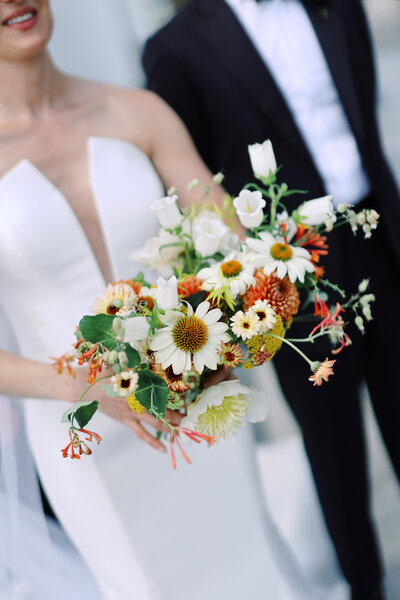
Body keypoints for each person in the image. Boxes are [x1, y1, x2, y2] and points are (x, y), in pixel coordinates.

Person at [0, 1, 318, 598]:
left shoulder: (136, 111)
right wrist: (84, 386)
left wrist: (227, 336)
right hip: (86, 435)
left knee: (256, 571)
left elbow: (234, 245)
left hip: (196, 402)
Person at [143, 1, 400, 599]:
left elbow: (364, 123)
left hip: (378, 243)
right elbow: (192, 190)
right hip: (288, 283)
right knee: (336, 458)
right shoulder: (176, 47)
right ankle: (367, 587)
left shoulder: (338, 5)